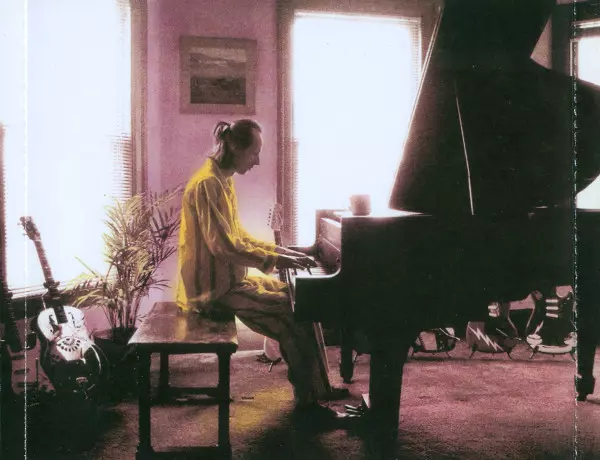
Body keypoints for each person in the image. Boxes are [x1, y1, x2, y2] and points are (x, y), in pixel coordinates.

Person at [175, 119, 347, 423]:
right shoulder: (208, 184)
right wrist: (275, 261)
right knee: (292, 313)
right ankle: (308, 405)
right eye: (254, 153)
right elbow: (224, 247)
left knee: (304, 301)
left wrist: (282, 252)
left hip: (231, 281)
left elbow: (239, 236)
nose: (257, 161)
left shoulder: (222, 180)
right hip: (214, 291)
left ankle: (320, 388)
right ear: (235, 148)